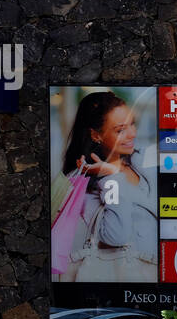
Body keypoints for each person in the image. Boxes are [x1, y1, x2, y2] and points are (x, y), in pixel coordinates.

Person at [61, 90, 158, 282]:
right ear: (96, 135)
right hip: (128, 280)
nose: (132, 134)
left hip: (162, 272)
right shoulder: (83, 180)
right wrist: (111, 177)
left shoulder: (142, 160)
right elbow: (115, 236)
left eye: (132, 124)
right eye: (120, 130)